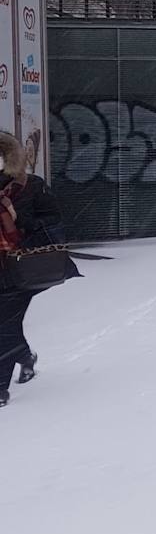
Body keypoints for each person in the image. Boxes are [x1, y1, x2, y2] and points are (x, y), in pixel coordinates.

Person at [0, 131, 77, 408]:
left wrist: (25, 223)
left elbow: (53, 222)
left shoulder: (31, 187)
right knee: (6, 326)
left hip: (20, 269)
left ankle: (0, 388)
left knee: (5, 324)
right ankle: (25, 357)